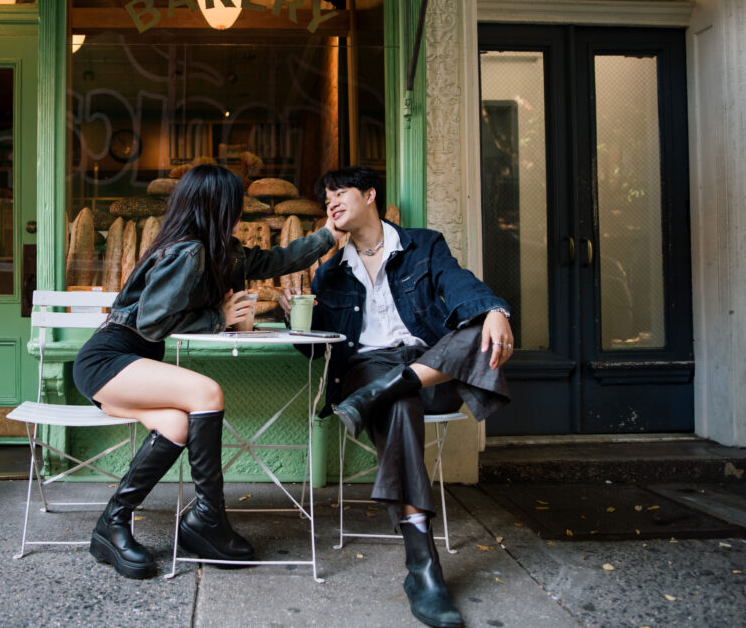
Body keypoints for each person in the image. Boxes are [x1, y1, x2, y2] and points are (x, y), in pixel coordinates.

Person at [73, 164, 340, 579]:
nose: (242, 217)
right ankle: (206, 520)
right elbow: (150, 323)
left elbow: (275, 259)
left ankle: (111, 524)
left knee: (177, 425)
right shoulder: (188, 251)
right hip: (108, 361)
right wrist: (218, 317)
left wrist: (329, 236)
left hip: (128, 367)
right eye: (235, 206)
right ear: (216, 207)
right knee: (206, 392)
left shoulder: (218, 251)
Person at [281, 166, 513, 628]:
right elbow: (319, 353)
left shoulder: (424, 245)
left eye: (339, 193)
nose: (331, 203)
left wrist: (495, 310)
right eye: (325, 198)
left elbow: (460, 284)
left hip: (432, 370)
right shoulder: (329, 273)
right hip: (369, 369)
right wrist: (296, 323)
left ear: (370, 195)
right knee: (396, 401)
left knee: (475, 331)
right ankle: (423, 567)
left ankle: (386, 390)